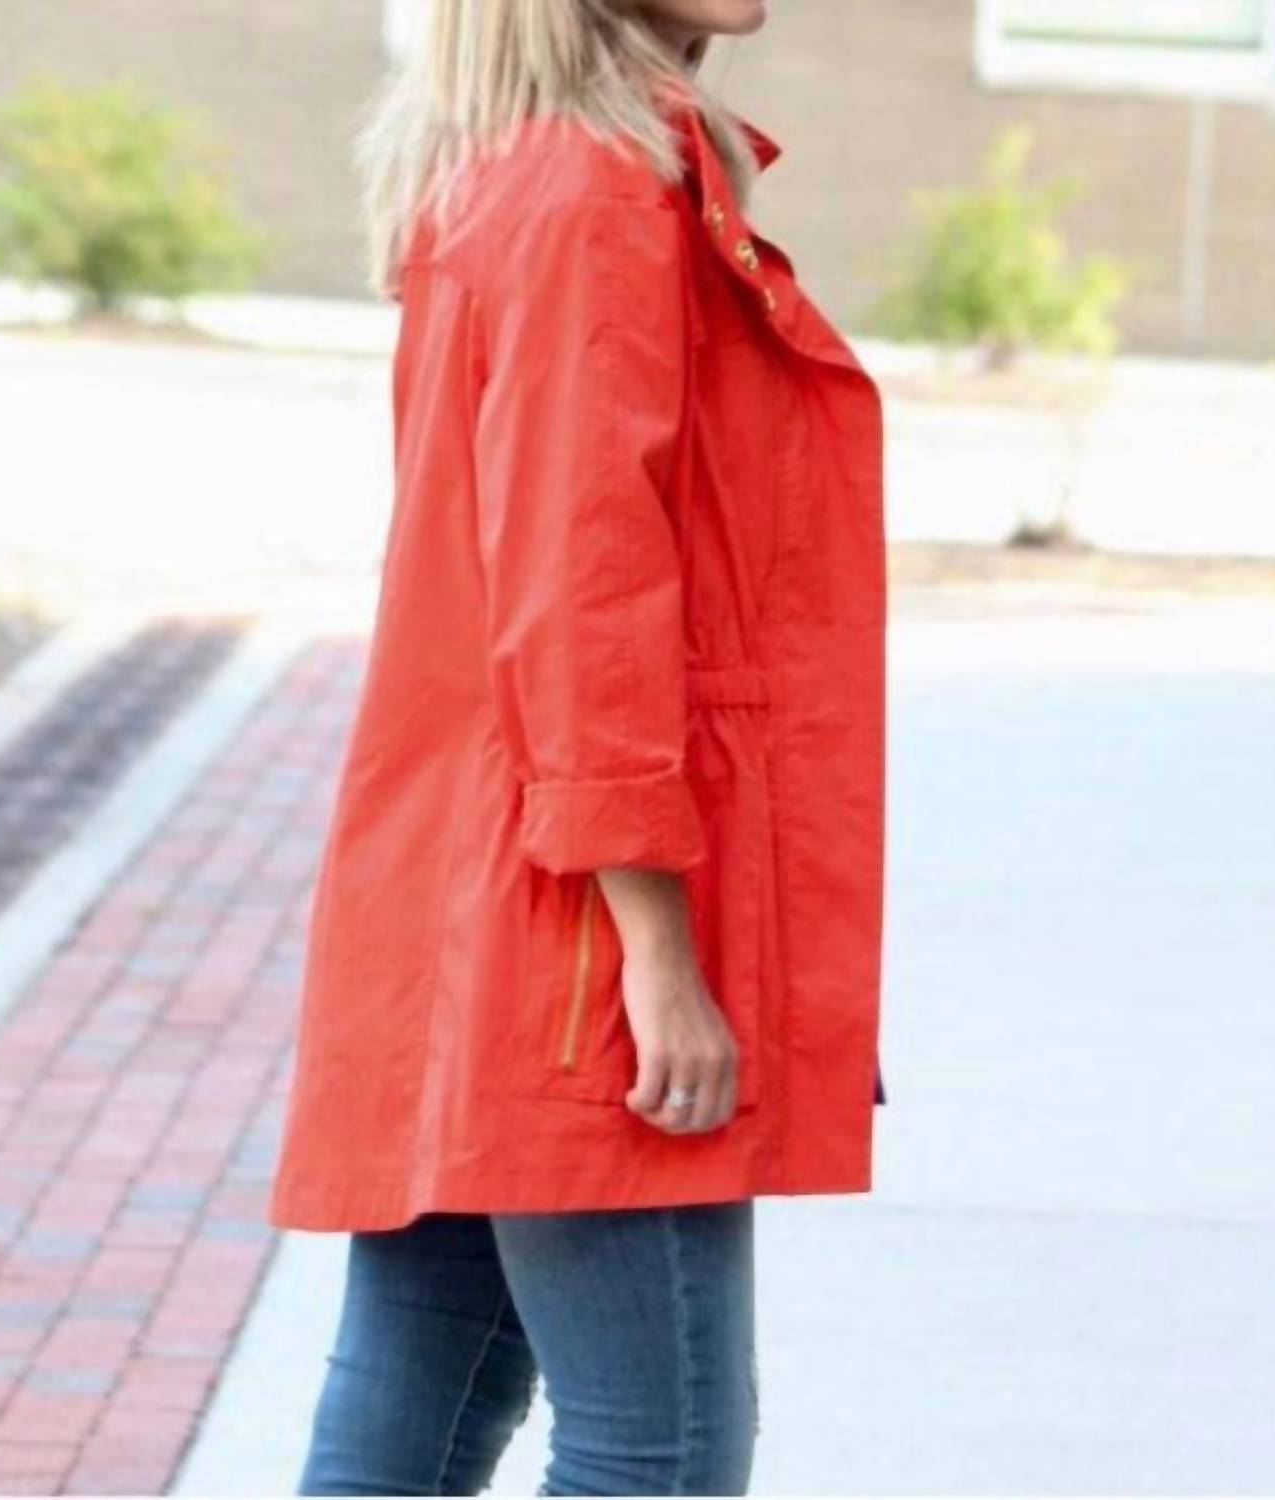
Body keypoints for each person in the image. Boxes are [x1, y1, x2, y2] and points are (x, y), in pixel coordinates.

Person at [266, 0, 887, 1492]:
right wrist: (658, 957)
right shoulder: (594, 192)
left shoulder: (521, 167)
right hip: (575, 921)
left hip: (494, 889)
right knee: (658, 1453)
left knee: (419, 1403)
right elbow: (580, 592)